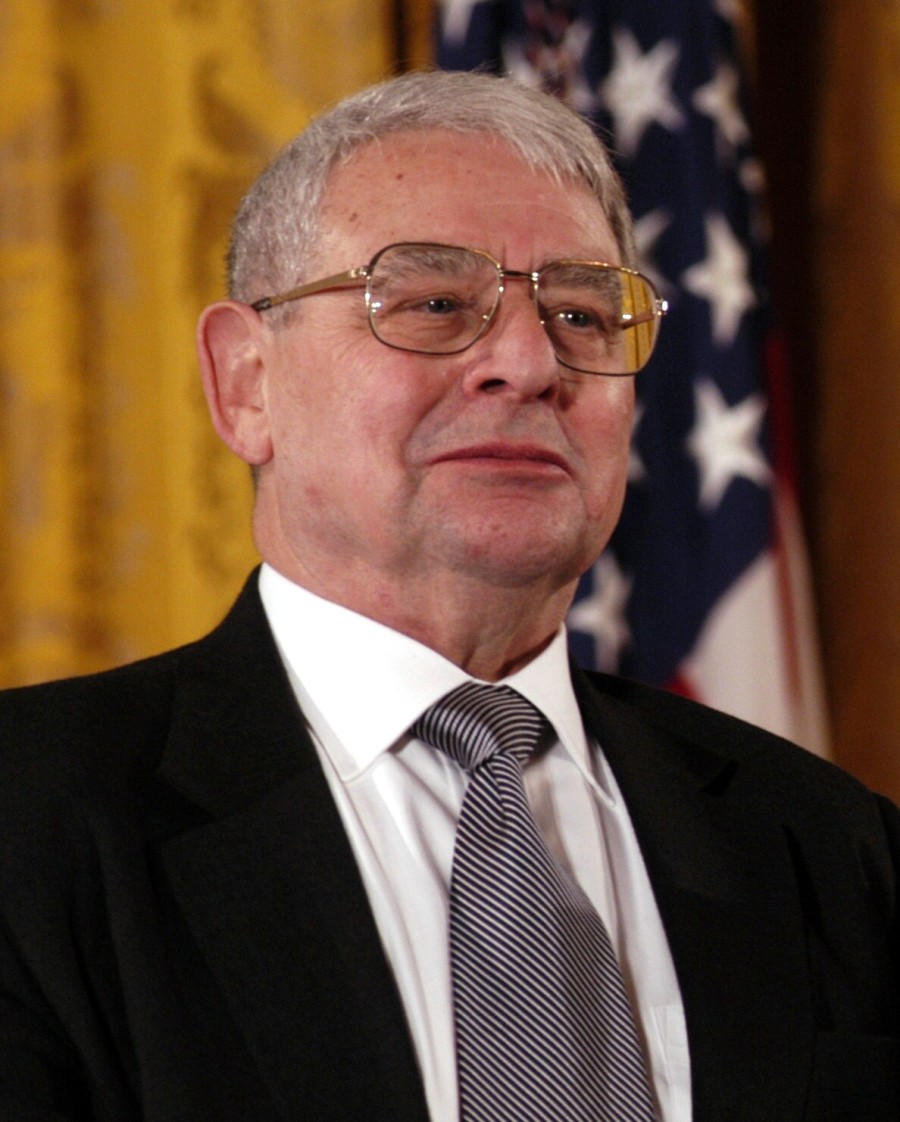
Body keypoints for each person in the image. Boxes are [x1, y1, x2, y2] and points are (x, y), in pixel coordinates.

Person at [0, 70, 897, 1122]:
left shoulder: (836, 849)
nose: (528, 363)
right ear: (246, 382)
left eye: (579, 313)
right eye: (432, 305)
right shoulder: (26, 822)